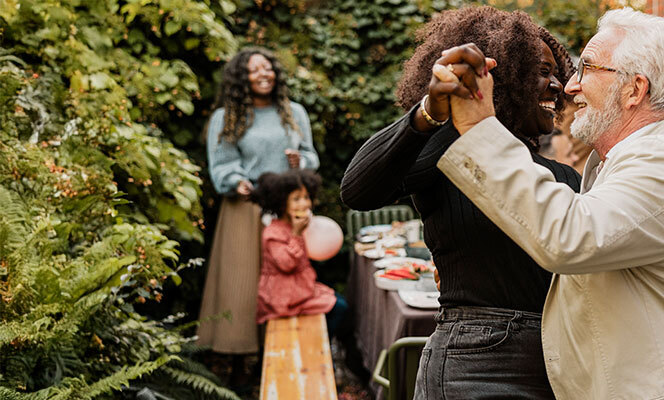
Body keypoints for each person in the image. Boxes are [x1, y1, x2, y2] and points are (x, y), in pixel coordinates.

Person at [432, 8, 664, 399]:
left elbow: (568, 237)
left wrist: (479, 128)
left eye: (588, 68)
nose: (570, 86)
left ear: (634, 89)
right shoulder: (616, 168)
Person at [339, 6, 579, 398]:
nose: (558, 85)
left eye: (559, 74)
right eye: (542, 71)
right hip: (474, 365)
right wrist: (429, 114)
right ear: (503, 79)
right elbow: (358, 190)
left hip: (559, 367)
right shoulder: (451, 151)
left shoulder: (566, 178)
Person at [197, 47, 318, 384]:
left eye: (268, 68)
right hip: (244, 210)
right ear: (241, 78)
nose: (264, 74)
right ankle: (236, 366)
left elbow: (311, 156)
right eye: (255, 70)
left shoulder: (294, 113)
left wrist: (300, 163)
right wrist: (237, 183)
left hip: (287, 211)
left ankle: (278, 355)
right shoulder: (227, 117)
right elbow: (221, 165)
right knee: (242, 284)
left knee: (286, 279)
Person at [250, 170, 347, 332]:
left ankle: (324, 344)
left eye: (306, 197)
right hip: (284, 297)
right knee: (340, 307)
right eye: (296, 199)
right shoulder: (273, 232)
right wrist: (295, 234)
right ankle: (322, 347)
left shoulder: (299, 225)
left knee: (339, 299)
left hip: (301, 290)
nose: (304, 203)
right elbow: (286, 264)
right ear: (281, 202)